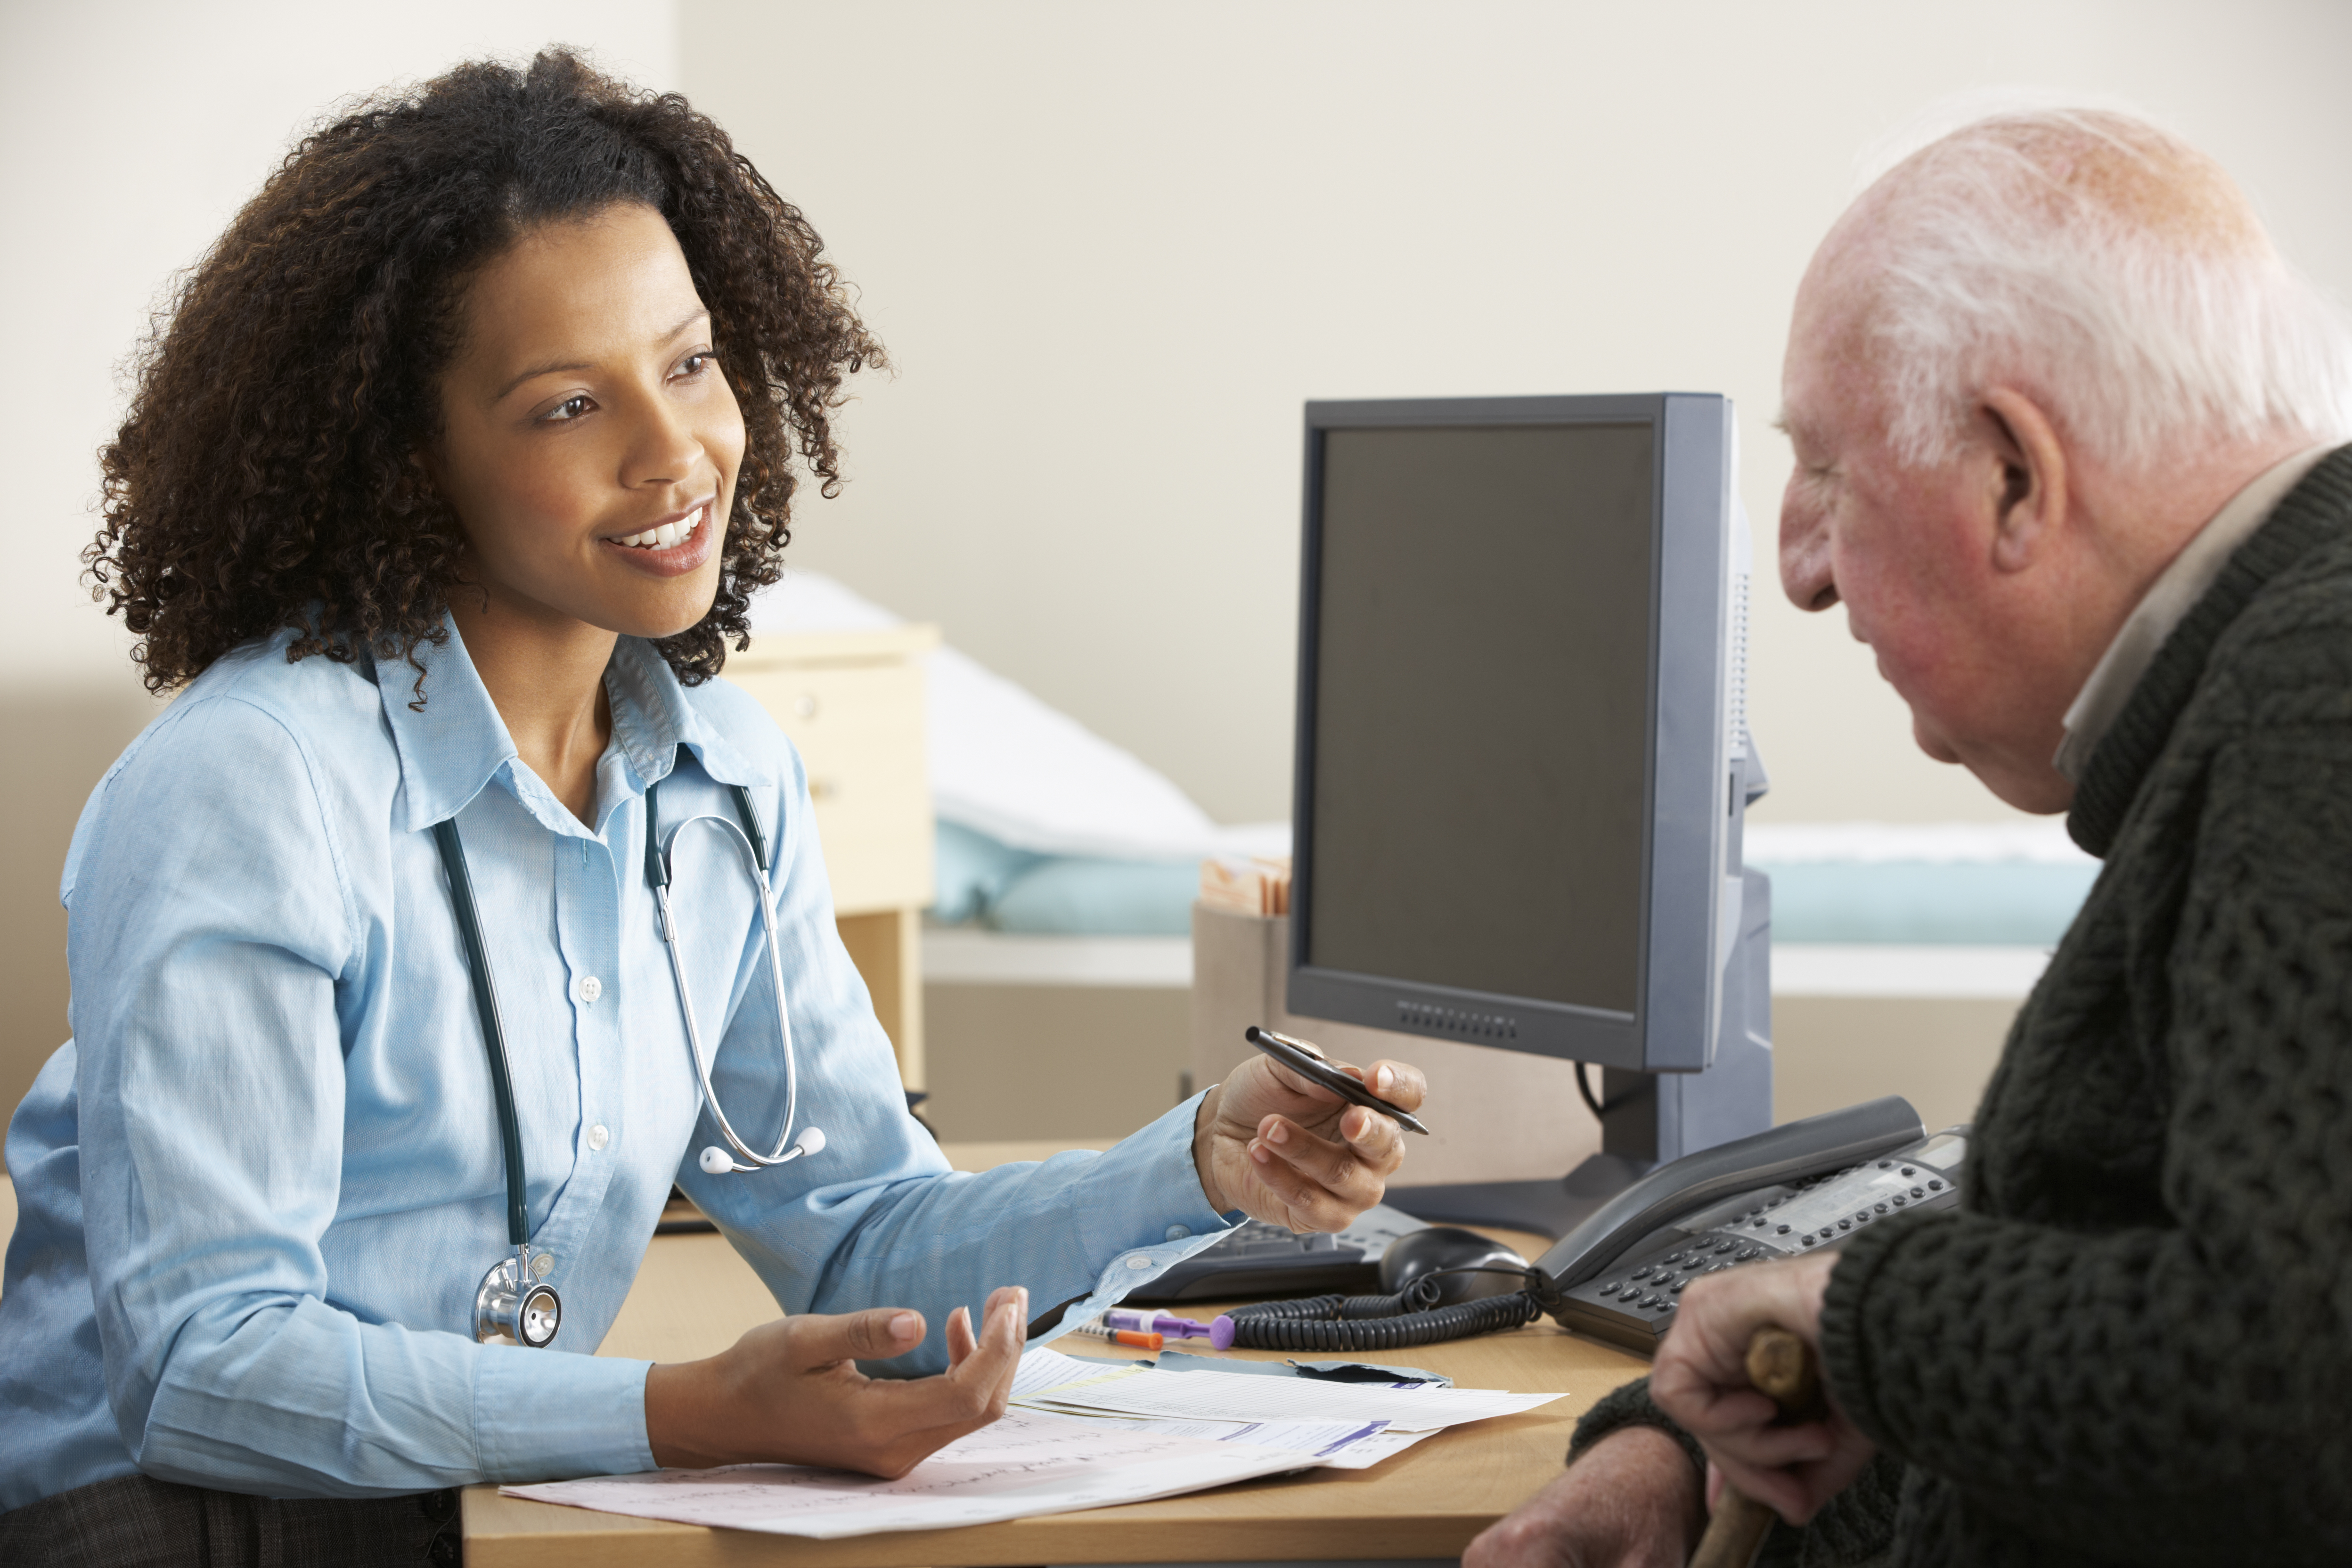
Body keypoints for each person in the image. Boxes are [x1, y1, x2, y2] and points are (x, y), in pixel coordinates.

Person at [0, 51, 1428, 1563]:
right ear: (411, 460)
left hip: (483, 1502)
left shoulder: (719, 783)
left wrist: (1202, 1158)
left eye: (687, 364)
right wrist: (685, 1412)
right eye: (565, 405)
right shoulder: (251, 784)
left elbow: (865, 1237)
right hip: (164, 1523)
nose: (676, 452)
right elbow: (205, 1374)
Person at [1467, 108, 2352, 1568]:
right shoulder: (2267, 687)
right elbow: (2087, 1348)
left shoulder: (2315, 703)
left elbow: (2289, 1392)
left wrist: (1852, 1317)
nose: (1800, 572)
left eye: (1829, 474)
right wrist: (1685, 1462)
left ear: (2014, 473)